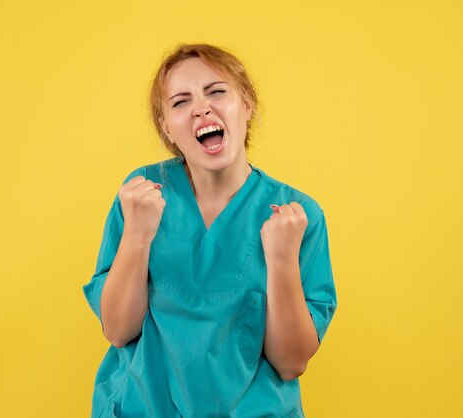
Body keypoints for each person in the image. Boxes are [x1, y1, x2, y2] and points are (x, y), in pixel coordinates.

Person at [82, 43, 338, 418]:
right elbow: (119, 330)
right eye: (180, 101)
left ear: (246, 105)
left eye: (217, 91)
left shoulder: (299, 217)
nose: (201, 107)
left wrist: (281, 259)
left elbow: (290, 362)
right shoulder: (138, 195)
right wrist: (137, 234)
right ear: (167, 127)